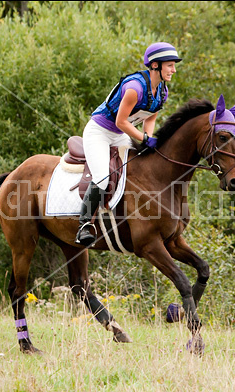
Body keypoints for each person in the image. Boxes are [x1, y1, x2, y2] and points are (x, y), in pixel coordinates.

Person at [75, 42, 182, 246]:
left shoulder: (162, 91)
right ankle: (84, 225)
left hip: (120, 134)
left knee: (141, 168)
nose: (174, 70)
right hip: (100, 132)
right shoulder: (135, 88)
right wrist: (143, 139)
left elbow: (150, 118)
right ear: (155, 65)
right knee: (102, 178)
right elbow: (120, 121)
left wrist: (148, 137)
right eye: (170, 65)